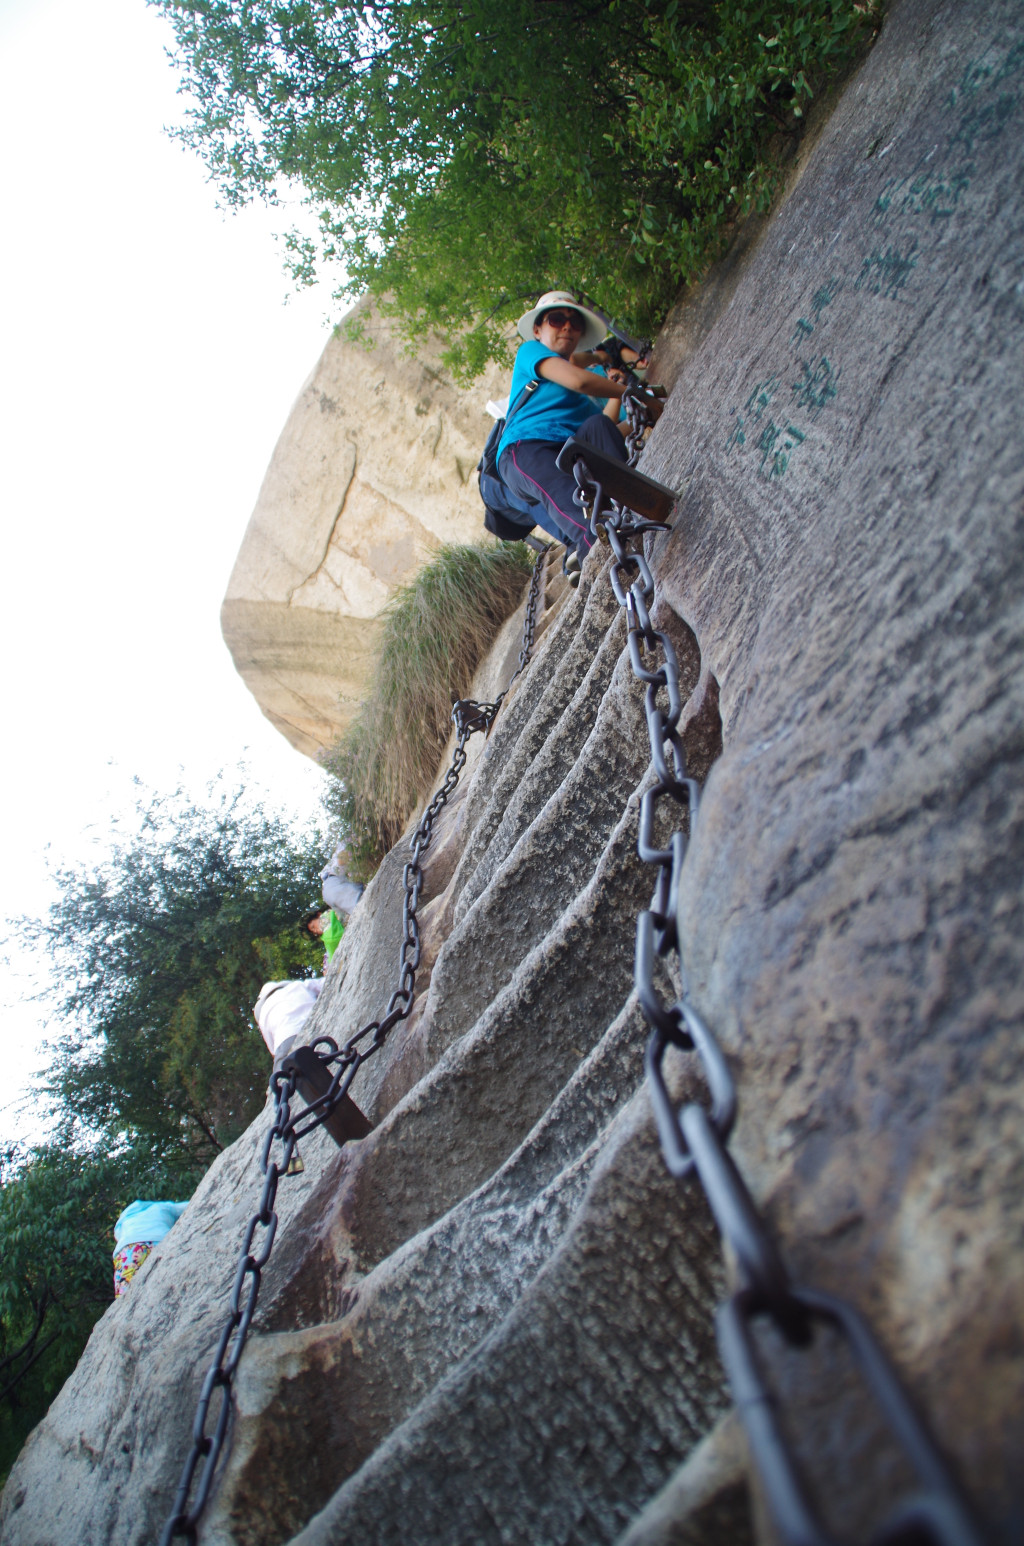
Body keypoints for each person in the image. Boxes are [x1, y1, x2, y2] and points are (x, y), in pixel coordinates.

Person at [497, 291, 662, 569]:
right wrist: (635, 395)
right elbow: (578, 380)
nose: (567, 327)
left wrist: (633, 407)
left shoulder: (581, 405)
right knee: (589, 522)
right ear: (538, 329)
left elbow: (609, 430)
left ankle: (630, 502)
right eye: (557, 319)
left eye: (575, 324)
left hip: (567, 449)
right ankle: (595, 556)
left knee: (598, 425)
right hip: (525, 449)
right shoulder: (530, 352)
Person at [112, 1199, 189, 1297]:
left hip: (127, 1248)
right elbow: (190, 1205)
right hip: (159, 1240)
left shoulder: (125, 1217)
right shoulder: (164, 1206)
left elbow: (118, 1236)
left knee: (125, 1292)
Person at [254, 977, 324, 1069]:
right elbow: (326, 982)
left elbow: (273, 1049)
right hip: (316, 1021)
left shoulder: (263, 1013)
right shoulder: (299, 985)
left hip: (287, 1038)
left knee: (280, 1076)